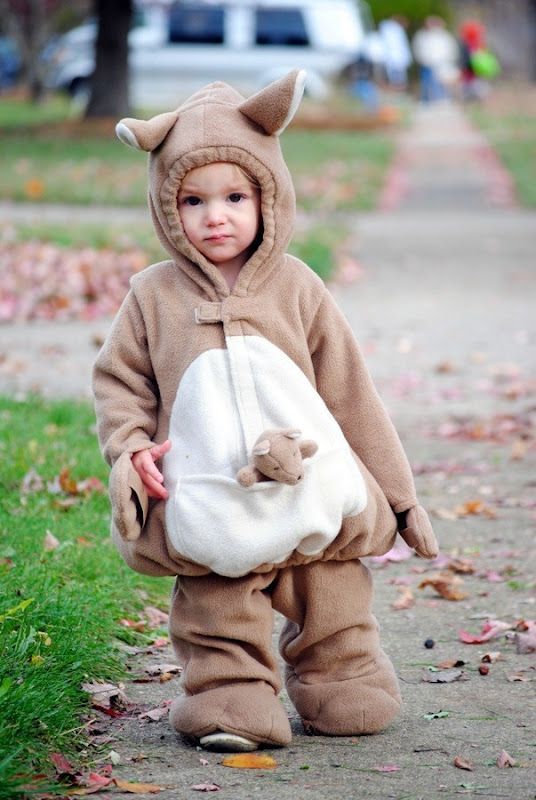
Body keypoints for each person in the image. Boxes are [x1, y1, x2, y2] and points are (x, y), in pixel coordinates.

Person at [93, 70, 438, 753]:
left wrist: (399, 495)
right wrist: (131, 448)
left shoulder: (297, 286)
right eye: (192, 199)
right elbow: (119, 383)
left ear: (268, 197)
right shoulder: (152, 296)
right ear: (167, 206)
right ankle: (230, 699)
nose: (214, 216)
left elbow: (350, 391)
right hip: (210, 492)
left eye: (234, 196)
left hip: (311, 488)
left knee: (332, 595)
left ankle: (342, 680)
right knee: (216, 607)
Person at [412, 16, 459, 103]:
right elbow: (419, 49)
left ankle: (442, 98)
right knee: (427, 82)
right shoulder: (422, 35)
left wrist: (449, 59)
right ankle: (427, 99)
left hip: (441, 63)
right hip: (427, 63)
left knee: (442, 82)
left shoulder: (444, 36)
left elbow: (450, 49)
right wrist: (423, 59)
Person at [378, 15, 412, 90]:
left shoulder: (396, 31)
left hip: (396, 57)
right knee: (394, 75)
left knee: (397, 75)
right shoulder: (392, 30)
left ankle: (397, 87)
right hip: (392, 57)